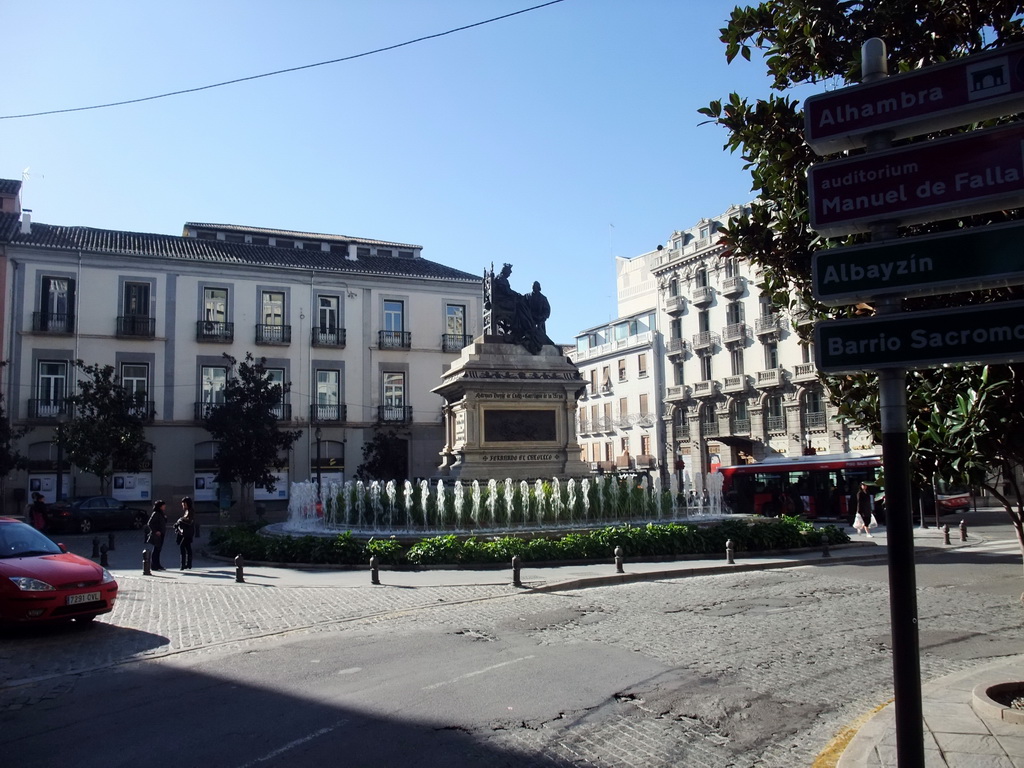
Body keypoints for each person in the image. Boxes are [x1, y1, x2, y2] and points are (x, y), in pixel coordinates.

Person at [174, 496, 198, 570]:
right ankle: (188, 564)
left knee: (183, 546)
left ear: (187, 504)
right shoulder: (187, 511)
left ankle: (183, 564)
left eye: (184, 504)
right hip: (185, 532)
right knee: (187, 547)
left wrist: (181, 520)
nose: (183, 506)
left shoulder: (191, 511)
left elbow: (190, 521)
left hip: (188, 532)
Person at [147, 500, 168, 571]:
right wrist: (155, 531)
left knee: (158, 549)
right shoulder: (156, 513)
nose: (164, 507)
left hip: (162, 533)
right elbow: (149, 523)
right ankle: (154, 565)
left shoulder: (161, 513)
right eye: (163, 505)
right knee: (156, 549)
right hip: (157, 534)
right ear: (160, 506)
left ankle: (158, 565)